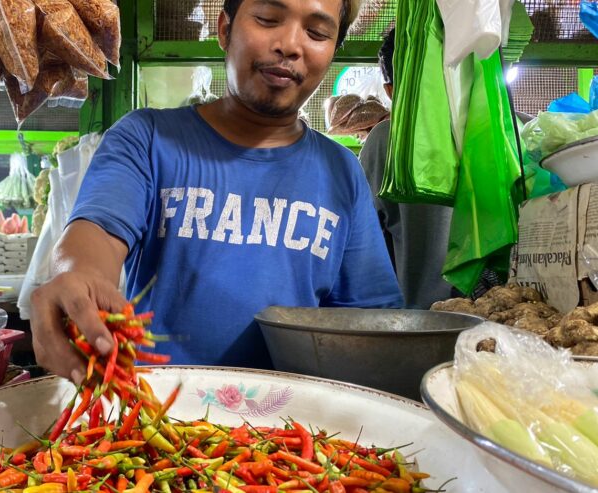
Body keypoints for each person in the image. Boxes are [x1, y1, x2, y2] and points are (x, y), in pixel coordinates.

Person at [29, 0, 402, 383]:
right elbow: (96, 237)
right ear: (225, 29)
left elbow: (369, 320)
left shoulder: (342, 172)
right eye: (268, 19)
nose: (290, 44)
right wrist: (77, 278)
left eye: (317, 33)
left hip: (289, 428)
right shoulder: (147, 138)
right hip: (156, 420)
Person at [358, 29, 456, 309]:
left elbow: (368, 251)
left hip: (423, 324)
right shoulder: (513, 131)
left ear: (391, 91)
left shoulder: (386, 140)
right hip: (511, 323)